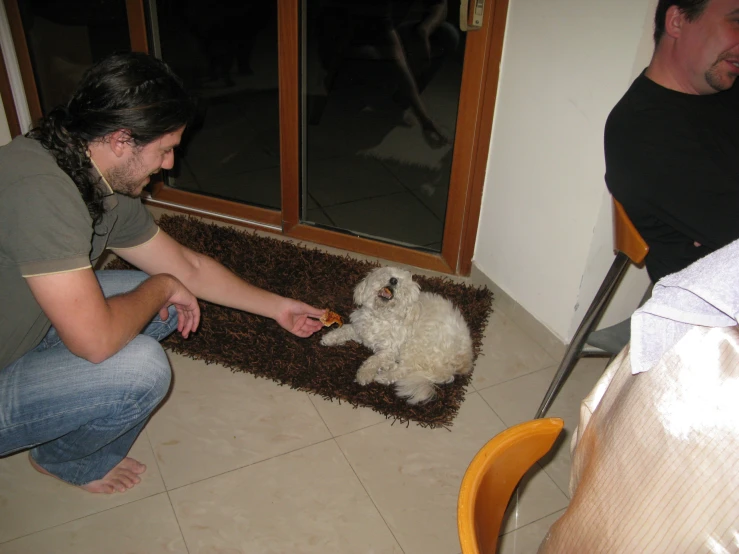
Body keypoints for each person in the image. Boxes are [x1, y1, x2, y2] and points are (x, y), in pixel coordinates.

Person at [0, 52, 325, 494]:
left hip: (21, 331)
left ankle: (53, 390)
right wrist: (163, 287)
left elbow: (187, 266)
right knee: (142, 368)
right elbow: (96, 342)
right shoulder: (44, 195)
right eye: (166, 148)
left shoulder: (88, 169)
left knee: (162, 301)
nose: (170, 163)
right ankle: (64, 459)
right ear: (121, 139)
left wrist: (278, 308)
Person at [604, 0, 739, 284]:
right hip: (712, 303)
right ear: (677, 21)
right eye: (736, 21)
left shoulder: (723, 86)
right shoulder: (642, 133)